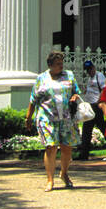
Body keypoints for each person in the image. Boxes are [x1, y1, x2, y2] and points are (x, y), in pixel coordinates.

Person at [25, 51, 82, 191]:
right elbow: (33, 100)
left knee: (67, 148)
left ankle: (64, 173)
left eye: (62, 63)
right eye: (57, 64)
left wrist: (75, 96)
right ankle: (50, 180)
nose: (61, 66)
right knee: (51, 147)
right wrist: (28, 118)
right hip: (47, 118)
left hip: (67, 118)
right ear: (50, 65)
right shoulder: (41, 78)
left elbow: (76, 91)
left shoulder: (69, 75)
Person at [77, 59, 106, 161]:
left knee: (102, 128)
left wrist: (99, 101)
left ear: (93, 67)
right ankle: (84, 154)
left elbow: (104, 89)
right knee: (87, 130)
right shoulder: (90, 79)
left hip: (96, 106)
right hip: (90, 106)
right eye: (87, 70)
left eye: (90, 69)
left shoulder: (99, 76)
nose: (89, 71)